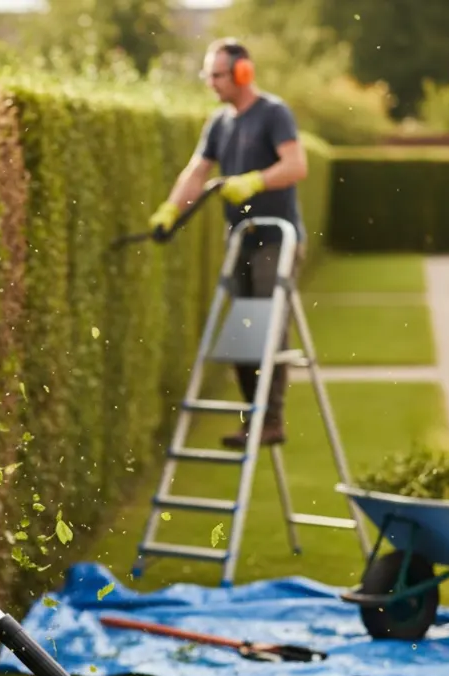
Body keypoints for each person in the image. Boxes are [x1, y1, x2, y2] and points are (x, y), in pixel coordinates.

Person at [148, 37, 309, 449]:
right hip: (240, 240)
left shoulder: (274, 114)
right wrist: (170, 209)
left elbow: (295, 165)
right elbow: (197, 173)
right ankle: (252, 416)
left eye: (218, 74)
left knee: (267, 327)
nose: (211, 82)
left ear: (243, 72)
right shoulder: (219, 123)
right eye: (208, 74)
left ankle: (272, 419)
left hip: (277, 237)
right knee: (241, 332)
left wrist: (255, 181)